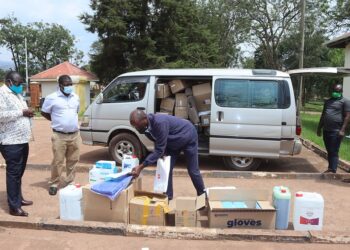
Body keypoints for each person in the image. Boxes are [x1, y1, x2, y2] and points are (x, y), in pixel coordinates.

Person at [129, 109, 205, 200]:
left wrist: (141, 166)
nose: (137, 129)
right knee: (167, 169)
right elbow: (157, 140)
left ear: (144, 119)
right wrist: (163, 152)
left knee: (193, 170)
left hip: (188, 136)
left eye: (137, 126)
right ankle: (168, 198)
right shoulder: (145, 127)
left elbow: (158, 150)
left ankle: (203, 198)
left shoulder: (160, 122)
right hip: (173, 141)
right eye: (134, 127)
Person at [0, 71, 34, 216]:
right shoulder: (1, 93)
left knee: (19, 172)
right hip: (10, 141)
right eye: (18, 83)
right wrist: (22, 112)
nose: (20, 86)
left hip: (22, 139)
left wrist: (28, 113)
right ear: (9, 82)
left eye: (21, 83)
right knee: (13, 173)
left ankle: (18, 199)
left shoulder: (17, 94)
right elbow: (1, 115)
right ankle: (14, 207)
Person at [41, 75, 81, 195]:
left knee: (73, 160)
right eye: (66, 84)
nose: (69, 86)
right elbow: (44, 113)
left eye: (70, 84)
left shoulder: (76, 97)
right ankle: (54, 183)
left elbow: (76, 111)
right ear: (60, 85)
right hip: (59, 135)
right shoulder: (51, 98)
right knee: (58, 161)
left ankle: (69, 181)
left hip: (75, 134)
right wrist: (57, 121)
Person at [317, 83, 350, 174]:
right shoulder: (328, 101)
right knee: (329, 150)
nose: (335, 92)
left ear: (341, 92)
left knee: (334, 150)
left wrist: (342, 130)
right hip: (326, 130)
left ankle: (333, 170)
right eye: (334, 91)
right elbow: (323, 115)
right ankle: (331, 168)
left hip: (336, 131)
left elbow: (347, 117)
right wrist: (319, 128)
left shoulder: (345, 102)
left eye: (338, 91)